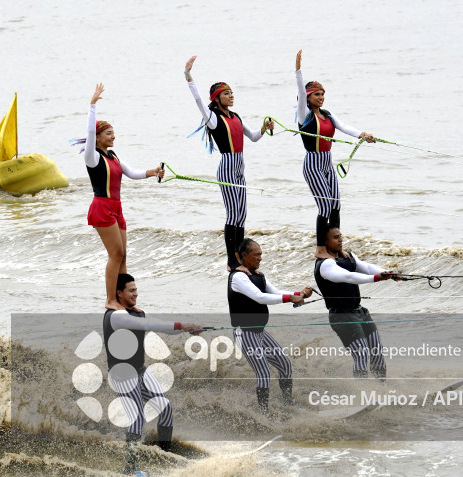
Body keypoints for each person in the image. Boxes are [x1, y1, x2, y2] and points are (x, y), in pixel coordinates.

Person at [103, 273, 202, 475]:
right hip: (122, 375)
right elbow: (148, 324)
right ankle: (130, 469)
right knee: (137, 418)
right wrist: (182, 324)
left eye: (136, 290)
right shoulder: (116, 316)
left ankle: (164, 455)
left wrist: (186, 330)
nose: (135, 294)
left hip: (140, 371)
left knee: (165, 408)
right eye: (131, 291)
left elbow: (158, 326)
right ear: (118, 293)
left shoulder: (135, 312)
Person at [184, 56, 274, 271]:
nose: (231, 96)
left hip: (239, 166)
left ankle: (241, 258)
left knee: (241, 215)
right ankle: (232, 261)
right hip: (226, 166)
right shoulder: (213, 118)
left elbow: (252, 136)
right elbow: (197, 100)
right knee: (233, 214)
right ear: (216, 98)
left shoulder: (235, 116)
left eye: (231, 92)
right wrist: (188, 76)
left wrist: (264, 127)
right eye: (226, 93)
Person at [80, 83, 165, 310]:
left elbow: (132, 173)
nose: (113, 137)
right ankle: (110, 300)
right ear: (97, 138)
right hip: (101, 207)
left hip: (117, 208)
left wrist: (153, 172)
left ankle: (124, 300)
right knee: (115, 254)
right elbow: (89, 132)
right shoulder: (92, 157)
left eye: (113, 133)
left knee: (124, 256)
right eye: (108, 134)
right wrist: (93, 104)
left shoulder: (113, 156)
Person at [294, 50, 376, 258]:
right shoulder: (304, 116)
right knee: (324, 206)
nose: (320, 98)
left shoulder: (328, 115)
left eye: (322, 94)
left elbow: (345, 127)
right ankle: (320, 249)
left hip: (327, 163)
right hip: (312, 163)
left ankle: (335, 248)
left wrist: (362, 135)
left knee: (336, 206)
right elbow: (301, 94)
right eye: (316, 95)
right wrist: (298, 70)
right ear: (307, 98)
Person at [227, 238, 313, 414]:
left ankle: (288, 404)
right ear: (244, 255)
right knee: (264, 373)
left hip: (259, 333)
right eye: (256, 255)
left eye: (261, 255)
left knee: (285, 365)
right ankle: (264, 414)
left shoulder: (258, 276)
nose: (260, 258)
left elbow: (277, 292)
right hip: (244, 334)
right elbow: (260, 297)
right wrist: (290, 298)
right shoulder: (238, 278)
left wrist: (299, 294)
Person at [313, 226, 403, 379]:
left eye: (340, 236)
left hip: (359, 311)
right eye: (335, 237)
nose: (340, 239)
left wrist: (387, 273)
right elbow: (348, 277)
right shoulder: (325, 265)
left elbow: (366, 267)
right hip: (341, 315)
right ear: (325, 242)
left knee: (376, 350)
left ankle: (380, 387)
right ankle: (362, 392)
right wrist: (376, 278)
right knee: (361, 353)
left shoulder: (347, 256)